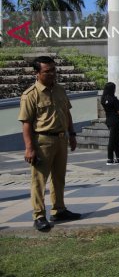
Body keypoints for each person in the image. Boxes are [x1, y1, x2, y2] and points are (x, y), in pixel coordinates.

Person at [18, 55, 82, 231]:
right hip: (42, 141)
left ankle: (59, 209)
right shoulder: (30, 95)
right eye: (47, 71)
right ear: (37, 73)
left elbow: (67, 113)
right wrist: (29, 148)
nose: (52, 74)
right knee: (39, 180)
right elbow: (26, 124)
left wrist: (72, 133)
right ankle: (39, 215)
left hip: (61, 139)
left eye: (54, 70)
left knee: (59, 178)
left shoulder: (60, 90)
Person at [101, 82, 119, 165]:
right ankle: (110, 158)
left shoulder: (103, 99)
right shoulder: (113, 99)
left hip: (108, 120)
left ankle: (118, 157)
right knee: (113, 139)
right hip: (115, 120)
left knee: (115, 138)